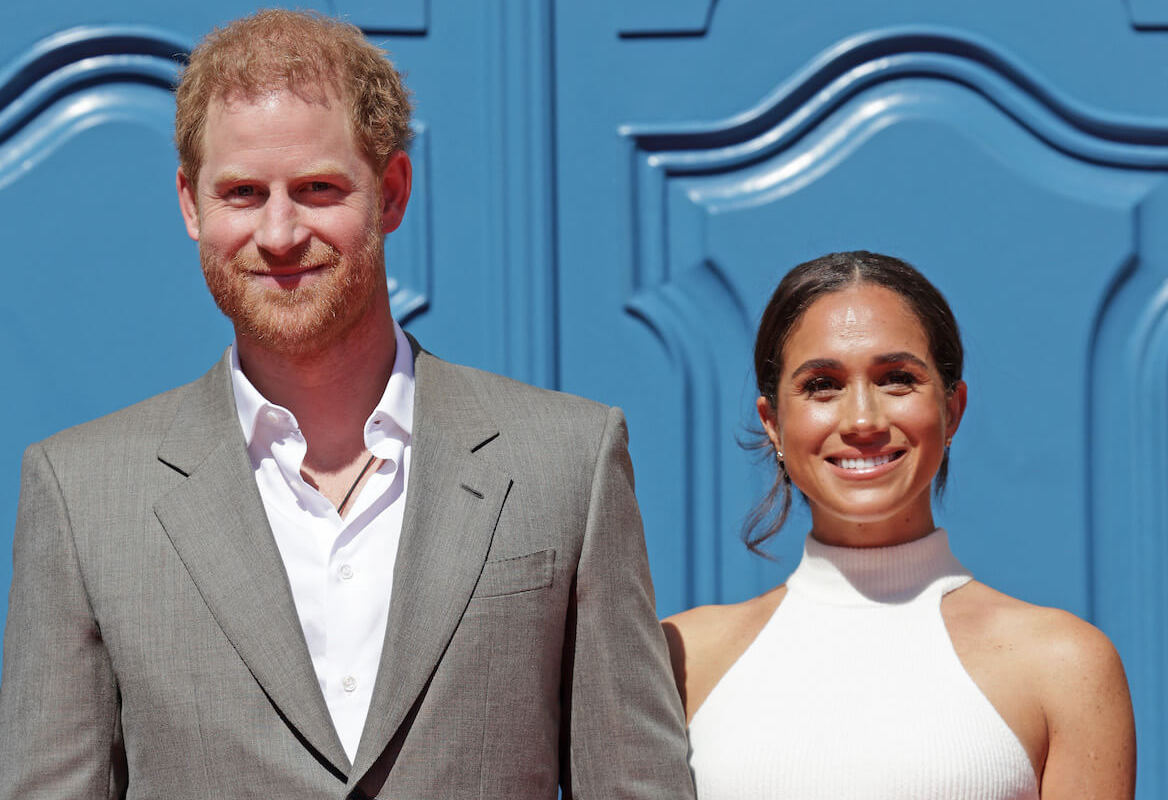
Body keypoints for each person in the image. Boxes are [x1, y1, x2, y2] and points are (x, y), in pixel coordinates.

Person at [0, 10, 694, 799]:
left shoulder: (566, 460)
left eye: (318, 189)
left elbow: (635, 783)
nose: (281, 231)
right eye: (243, 193)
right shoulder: (82, 491)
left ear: (392, 191)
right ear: (191, 204)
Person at [663, 251, 1136, 798]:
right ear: (773, 423)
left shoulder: (1065, 664)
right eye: (821, 385)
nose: (862, 420)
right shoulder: (681, 659)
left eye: (896, 379)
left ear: (952, 409)